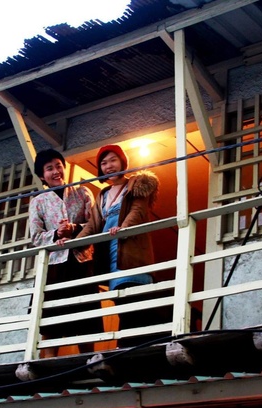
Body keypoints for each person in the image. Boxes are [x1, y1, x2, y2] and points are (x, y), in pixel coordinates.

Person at [75, 144, 163, 348]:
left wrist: (123, 228)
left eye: (113, 160)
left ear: (123, 162)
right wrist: (75, 243)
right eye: (104, 163)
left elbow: (138, 211)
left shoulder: (137, 184)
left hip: (132, 252)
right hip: (111, 254)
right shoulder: (103, 194)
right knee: (120, 300)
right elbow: (93, 225)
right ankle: (127, 346)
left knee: (135, 298)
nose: (109, 166)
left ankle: (131, 346)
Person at [28, 149, 103, 358]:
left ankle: (90, 363)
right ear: (42, 176)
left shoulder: (82, 192)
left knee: (85, 318)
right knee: (51, 322)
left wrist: (75, 229)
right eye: (49, 168)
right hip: (53, 266)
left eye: (58, 165)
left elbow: (95, 224)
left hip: (81, 262)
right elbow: (35, 237)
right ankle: (49, 367)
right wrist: (55, 234)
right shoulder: (38, 201)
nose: (56, 171)